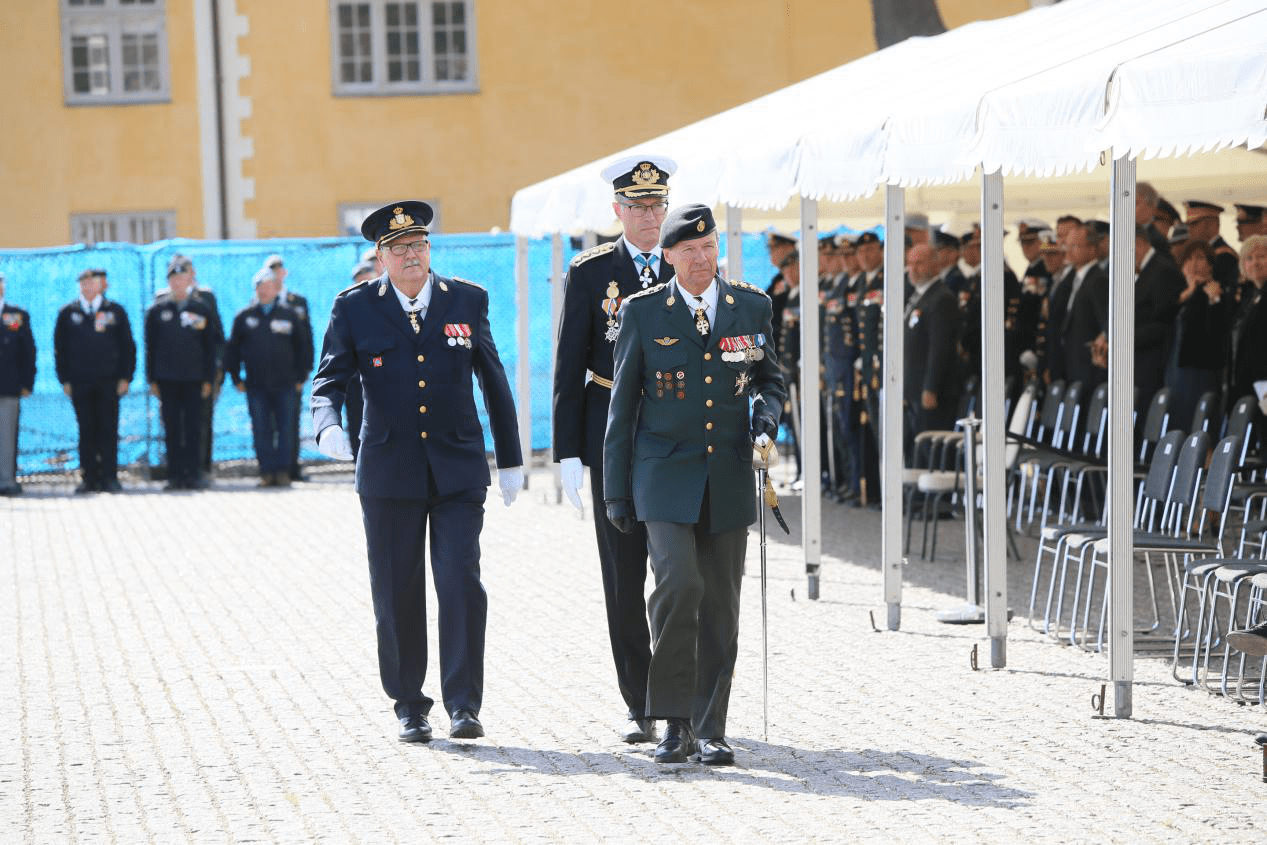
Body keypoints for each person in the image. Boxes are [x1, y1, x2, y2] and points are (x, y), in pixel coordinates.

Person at [311, 200, 524, 744]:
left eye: (420, 245)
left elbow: (494, 382)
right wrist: (327, 427)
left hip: (456, 468)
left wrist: (511, 457)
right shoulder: (354, 308)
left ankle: (463, 704)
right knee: (396, 590)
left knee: (459, 582)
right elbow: (328, 380)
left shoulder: (466, 300)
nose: (412, 256)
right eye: (399, 249)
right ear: (380, 257)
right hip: (387, 471)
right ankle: (409, 703)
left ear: (430, 250)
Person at [603, 204, 786, 766]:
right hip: (662, 475)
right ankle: (672, 723)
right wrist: (616, 491)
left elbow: (769, 379)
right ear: (668, 258)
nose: (701, 258)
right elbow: (622, 408)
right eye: (688, 251)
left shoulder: (751, 307)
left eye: (707, 248)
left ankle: (710, 727)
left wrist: (766, 420)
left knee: (722, 606)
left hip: (727, 475)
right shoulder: (643, 313)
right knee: (679, 586)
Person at [552, 154, 676, 744]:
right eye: (639, 207)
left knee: (679, 572)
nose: (650, 216)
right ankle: (641, 700)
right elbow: (568, 364)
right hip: (613, 436)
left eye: (657, 206)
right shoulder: (591, 272)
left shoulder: (689, 261)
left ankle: (684, 695)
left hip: (677, 436)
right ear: (617, 211)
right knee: (624, 575)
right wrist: (569, 450)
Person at [224, 267, 310, 486]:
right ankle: (266, 472)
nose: (264, 291)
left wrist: (302, 376)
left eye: (269, 286)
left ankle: (283, 472)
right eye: (260, 287)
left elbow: (303, 347)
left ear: (276, 288)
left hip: (286, 384)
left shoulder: (289, 314)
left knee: (286, 428)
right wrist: (236, 378)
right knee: (261, 429)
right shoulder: (244, 317)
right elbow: (232, 349)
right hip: (256, 385)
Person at [53, 269, 136, 494]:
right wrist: (65, 379)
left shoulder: (115, 311)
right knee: (86, 430)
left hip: (109, 382)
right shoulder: (68, 312)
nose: (87, 287)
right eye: (83, 283)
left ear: (101, 286)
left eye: (92, 283)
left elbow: (128, 346)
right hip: (80, 382)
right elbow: (59, 349)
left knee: (108, 429)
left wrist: (126, 377)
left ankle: (109, 477)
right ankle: (89, 477)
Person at [145, 261, 220, 491]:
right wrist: (152, 379)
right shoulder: (157, 311)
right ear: (169, 282)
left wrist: (209, 379)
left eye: (182, 278)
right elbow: (151, 347)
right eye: (173, 279)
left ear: (190, 280)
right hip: (167, 380)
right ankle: (175, 474)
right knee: (172, 428)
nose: (178, 283)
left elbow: (211, 347)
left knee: (194, 428)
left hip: (194, 380)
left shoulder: (201, 309)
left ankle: (193, 474)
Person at [1164, 240, 1232, 428]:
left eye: (1200, 258)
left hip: (1201, 370)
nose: (1193, 263)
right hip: (1175, 367)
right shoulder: (1179, 293)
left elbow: (1218, 331)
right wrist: (1185, 295)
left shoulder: (1215, 292)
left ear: (1210, 264)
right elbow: (1162, 318)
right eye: (1188, 259)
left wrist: (1214, 299)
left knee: (1198, 422)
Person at [264, 254, 315, 481]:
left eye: (279, 269)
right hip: (266, 376)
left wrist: (305, 370)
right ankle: (273, 469)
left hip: (292, 373)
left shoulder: (297, 301)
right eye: (271, 270)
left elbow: (306, 338)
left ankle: (292, 467)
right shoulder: (261, 301)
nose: (276, 273)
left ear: (285, 274)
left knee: (291, 421)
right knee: (268, 424)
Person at [903, 243, 960, 443]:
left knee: (930, 447)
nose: (913, 269)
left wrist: (931, 387)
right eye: (910, 263)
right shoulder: (919, 297)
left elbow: (940, 348)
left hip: (932, 394)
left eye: (919, 263)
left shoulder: (941, 298)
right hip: (914, 389)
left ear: (935, 265)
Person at [1132, 224, 1184, 412]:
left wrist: (1126, 338)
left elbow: (1164, 321)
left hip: (1152, 366)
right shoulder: (1146, 270)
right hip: (1140, 362)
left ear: (1138, 243)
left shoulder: (1161, 270)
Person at [1059, 223, 1110, 390]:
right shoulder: (1075, 278)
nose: (1068, 250)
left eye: (1075, 246)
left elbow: (1106, 322)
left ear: (1092, 249)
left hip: (1089, 369)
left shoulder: (1098, 280)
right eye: (1067, 245)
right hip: (1073, 365)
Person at [1228, 235, 1267, 453]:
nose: (1255, 263)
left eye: (1262, 256)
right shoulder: (1251, 296)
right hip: (1249, 386)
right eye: (1249, 258)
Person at [0, 272, 36, 496]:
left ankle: (6, 480)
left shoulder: (17, 315)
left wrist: (27, 382)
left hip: (9, 385)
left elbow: (28, 351)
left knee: (6, 435)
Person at [342, 260, 378, 458]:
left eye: (368, 281)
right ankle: (360, 462)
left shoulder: (390, 305)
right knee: (356, 420)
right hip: (356, 378)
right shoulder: (346, 308)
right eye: (360, 282)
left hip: (386, 377)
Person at [1183, 200, 1240, 291]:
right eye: (1189, 225)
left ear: (1211, 224)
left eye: (1194, 224)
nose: (1189, 229)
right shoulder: (1205, 251)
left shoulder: (1224, 256)